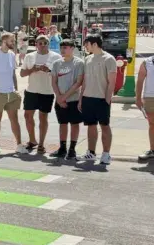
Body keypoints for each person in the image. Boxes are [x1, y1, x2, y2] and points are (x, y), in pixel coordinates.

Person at [80, 33, 118, 165]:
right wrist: (81, 98)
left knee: (105, 126)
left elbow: (111, 82)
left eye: (87, 44)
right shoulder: (87, 59)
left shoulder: (109, 59)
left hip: (102, 99)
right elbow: (84, 80)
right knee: (91, 126)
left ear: (95, 44)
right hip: (87, 98)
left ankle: (106, 154)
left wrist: (107, 99)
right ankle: (91, 152)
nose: (85, 46)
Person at [0, 32, 26, 154]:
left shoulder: (12, 54)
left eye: (14, 41)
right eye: (12, 41)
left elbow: (13, 73)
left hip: (11, 92)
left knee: (14, 119)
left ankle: (19, 145)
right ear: (4, 41)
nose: (13, 43)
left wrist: (16, 90)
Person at [20, 36, 62, 154]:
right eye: (40, 43)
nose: (43, 45)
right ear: (36, 44)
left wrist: (48, 70)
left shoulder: (56, 57)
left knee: (43, 118)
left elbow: (60, 75)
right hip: (31, 91)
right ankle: (32, 140)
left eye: (45, 43)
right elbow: (22, 73)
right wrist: (32, 69)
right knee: (28, 116)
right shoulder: (29, 56)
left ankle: (41, 144)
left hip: (47, 92)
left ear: (48, 44)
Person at [50, 39, 85, 160]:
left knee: (74, 124)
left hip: (73, 99)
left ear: (72, 48)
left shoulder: (79, 63)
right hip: (60, 99)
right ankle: (62, 148)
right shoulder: (57, 63)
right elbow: (54, 82)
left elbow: (78, 83)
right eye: (61, 47)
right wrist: (59, 97)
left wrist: (64, 97)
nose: (63, 50)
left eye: (66, 47)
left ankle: (72, 149)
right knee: (62, 124)